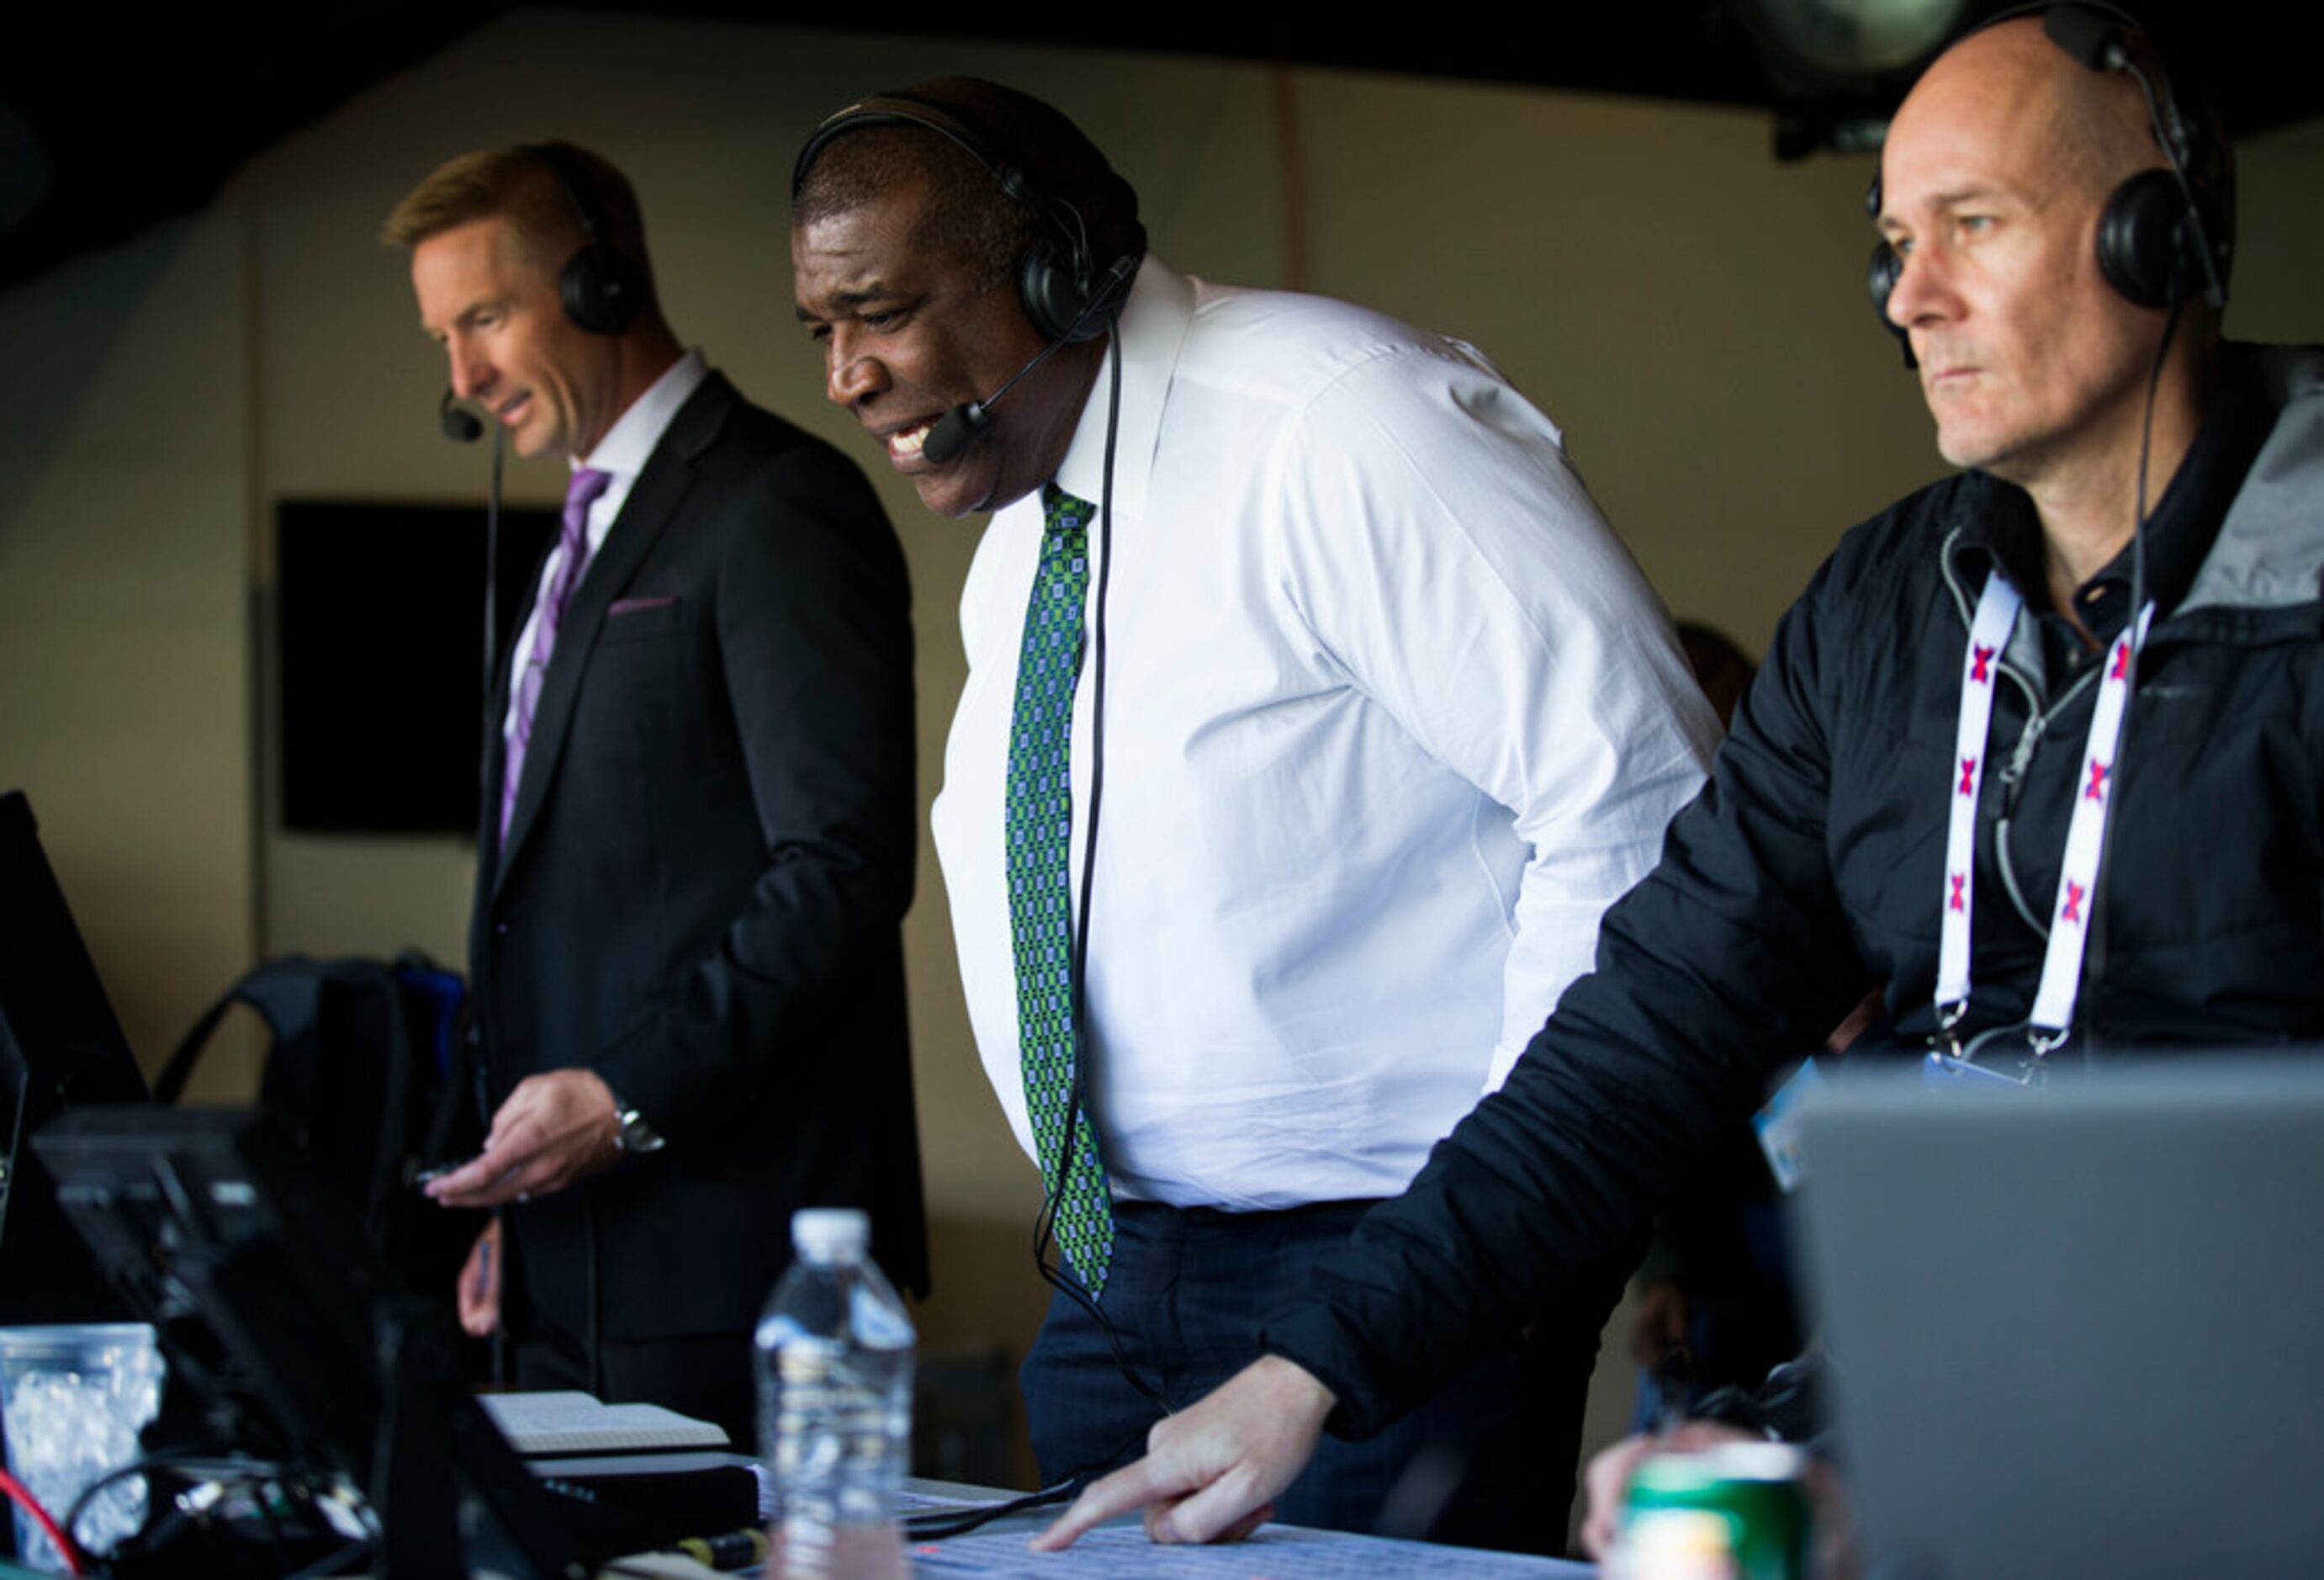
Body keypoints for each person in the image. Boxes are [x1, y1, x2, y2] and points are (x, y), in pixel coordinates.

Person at [1038, 6, 2323, 1552]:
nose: (1911, 297)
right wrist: (1320, 1358)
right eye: (1893, 241)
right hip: (1975, 1407)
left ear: (2159, 235)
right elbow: (1654, 1028)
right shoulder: (1884, 608)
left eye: (1973, 227)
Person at [790, 81, 1719, 1550]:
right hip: (1113, 1264)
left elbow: (1643, 794)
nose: (845, 375)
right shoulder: (1026, 533)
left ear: (1055, 270)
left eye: (880, 311)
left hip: (1393, 1254)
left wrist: (1502, 1217)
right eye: (821, 332)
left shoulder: (1339, 419)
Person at [390, 142, 928, 1445]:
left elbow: (842, 867)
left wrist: (623, 1096)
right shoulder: (581, 541)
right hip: (578, 1255)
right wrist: (528, 1207)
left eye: (483, 319)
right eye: (440, 336)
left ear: (598, 285)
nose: (458, 379)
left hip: (737, 1273)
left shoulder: (777, 504)